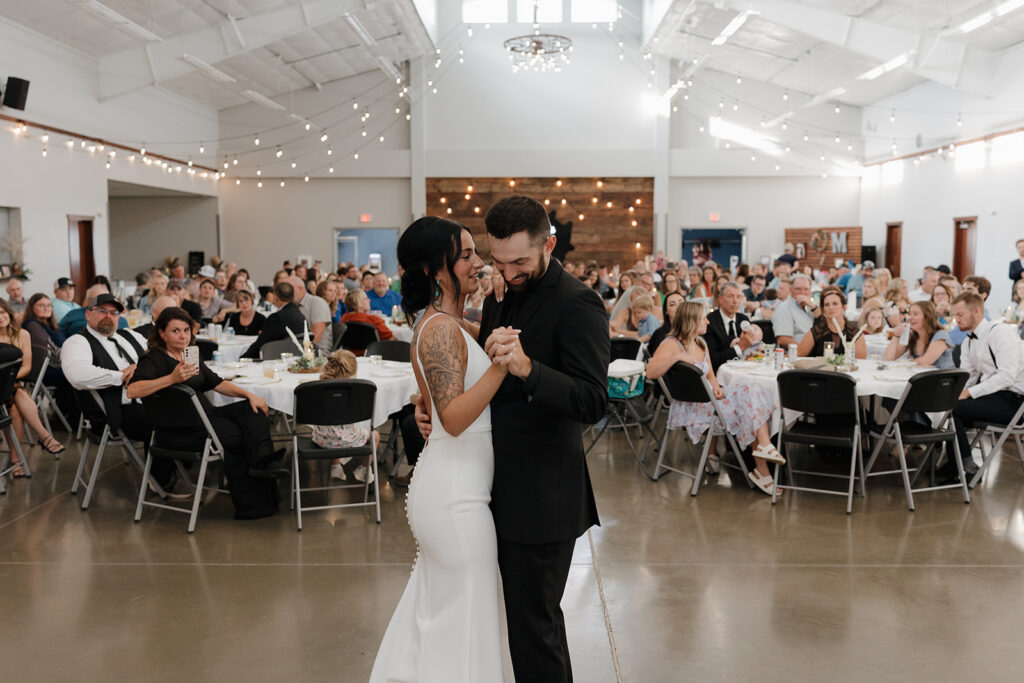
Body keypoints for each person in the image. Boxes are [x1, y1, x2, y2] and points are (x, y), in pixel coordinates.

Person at [470, 196, 608, 683]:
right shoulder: (500, 292)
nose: (507, 273)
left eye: (519, 262)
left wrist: (529, 369)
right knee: (521, 624)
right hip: (496, 484)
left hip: (543, 494)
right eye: (498, 262)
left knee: (536, 629)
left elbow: (593, 401)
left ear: (548, 245)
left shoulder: (579, 303)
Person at [370, 216, 512, 683]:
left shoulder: (451, 325)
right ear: (435, 268)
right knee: (462, 617)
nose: (478, 263)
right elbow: (451, 418)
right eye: (466, 254)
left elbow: (436, 399)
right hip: (455, 498)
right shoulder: (439, 330)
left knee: (447, 615)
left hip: (460, 487)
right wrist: (502, 365)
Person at [127, 307, 288, 518]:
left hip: (205, 416)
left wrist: (249, 395)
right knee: (239, 435)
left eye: (186, 330)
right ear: (162, 333)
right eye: (176, 331)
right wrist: (171, 379)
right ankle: (253, 504)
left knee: (253, 409)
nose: (183, 335)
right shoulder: (154, 359)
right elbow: (132, 390)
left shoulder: (189, 354)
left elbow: (216, 383)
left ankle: (263, 462)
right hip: (180, 429)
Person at [646, 301, 786, 495]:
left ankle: (763, 449)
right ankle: (762, 465)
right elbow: (650, 372)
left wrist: (717, 388)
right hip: (691, 406)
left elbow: (711, 375)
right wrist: (676, 358)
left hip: (709, 399)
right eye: (703, 318)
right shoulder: (671, 344)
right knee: (749, 407)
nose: (707, 322)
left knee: (750, 389)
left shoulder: (700, 343)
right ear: (691, 321)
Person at [61, 293, 189, 496]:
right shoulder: (77, 342)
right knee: (163, 419)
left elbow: (161, 357)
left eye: (114, 312)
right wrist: (119, 376)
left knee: (190, 409)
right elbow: (77, 375)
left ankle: (182, 463)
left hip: (148, 398)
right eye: (102, 311)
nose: (108, 316)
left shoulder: (131, 336)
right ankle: (160, 478)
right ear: (88, 314)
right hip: (115, 410)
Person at [944, 292, 1024, 484]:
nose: (956, 319)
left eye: (960, 314)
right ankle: (955, 465)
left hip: (1014, 401)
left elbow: (1007, 376)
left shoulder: (1000, 332)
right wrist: (953, 392)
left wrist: (969, 393)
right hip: (993, 396)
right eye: (955, 315)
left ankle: (967, 468)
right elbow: (967, 376)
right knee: (945, 405)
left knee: (953, 409)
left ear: (977, 311)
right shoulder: (967, 342)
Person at [0, 299, 65, 473]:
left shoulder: (22, 335)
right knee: (17, 393)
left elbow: (27, 367)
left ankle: (16, 461)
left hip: (11, 384)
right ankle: (44, 436)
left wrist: (8, 377)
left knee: (14, 408)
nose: (1, 317)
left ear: (9, 313)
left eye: (3, 312)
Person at [311, 349, 378, 484]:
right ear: (352, 370)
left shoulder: (317, 386)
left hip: (321, 439)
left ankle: (336, 467)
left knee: (332, 427)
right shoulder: (354, 390)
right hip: (346, 441)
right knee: (375, 435)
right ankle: (365, 470)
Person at [702, 282, 761, 371]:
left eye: (738, 297)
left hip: (746, 370)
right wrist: (740, 347)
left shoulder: (743, 319)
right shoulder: (710, 322)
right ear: (720, 299)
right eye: (730, 296)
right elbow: (713, 360)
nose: (735, 301)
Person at [241, 282, 306, 360]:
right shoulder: (299, 314)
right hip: (300, 358)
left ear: (276, 297)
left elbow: (260, 343)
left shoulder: (277, 318)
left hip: (282, 359)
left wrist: (243, 358)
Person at [797, 287, 867, 359]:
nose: (831, 307)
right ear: (823, 310)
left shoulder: (855, 333)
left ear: (844, 307)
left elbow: (861, 361)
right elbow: (798, 354)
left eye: (835, 303)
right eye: (827, 305)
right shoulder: (816, 331)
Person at [884, 300, 953, 368]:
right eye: (910, 314)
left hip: (942, 378)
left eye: (915, 314)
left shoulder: (941, 335)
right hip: (923, 376)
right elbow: (888, 358)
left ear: (927, 317)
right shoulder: (912, 336)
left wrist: (901, 364)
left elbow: (925, 361)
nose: (910, 318)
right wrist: (896, 336)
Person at [771, 274, 819, 350]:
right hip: (797, 355)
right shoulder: (784, 308)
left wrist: (813, 307)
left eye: (806, 289)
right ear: (791, 290)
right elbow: (783, 340)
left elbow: (824, 322)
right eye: (798, 289)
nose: (802, 292)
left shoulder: (811, 307)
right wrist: (803, 351)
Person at [289, 275, 333, 355]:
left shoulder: (317, 303)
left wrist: (303, 355)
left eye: (290, 290)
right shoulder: (292, 306)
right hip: (298, 351)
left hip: (318, 353)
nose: (288, 293)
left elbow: (315, 337)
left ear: (300, 288)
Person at [649, 291, 685, 355]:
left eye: (681, 303)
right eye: (672, 305)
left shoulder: (696, 331)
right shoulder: (659, 334)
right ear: (666, 311)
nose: (678, 307)